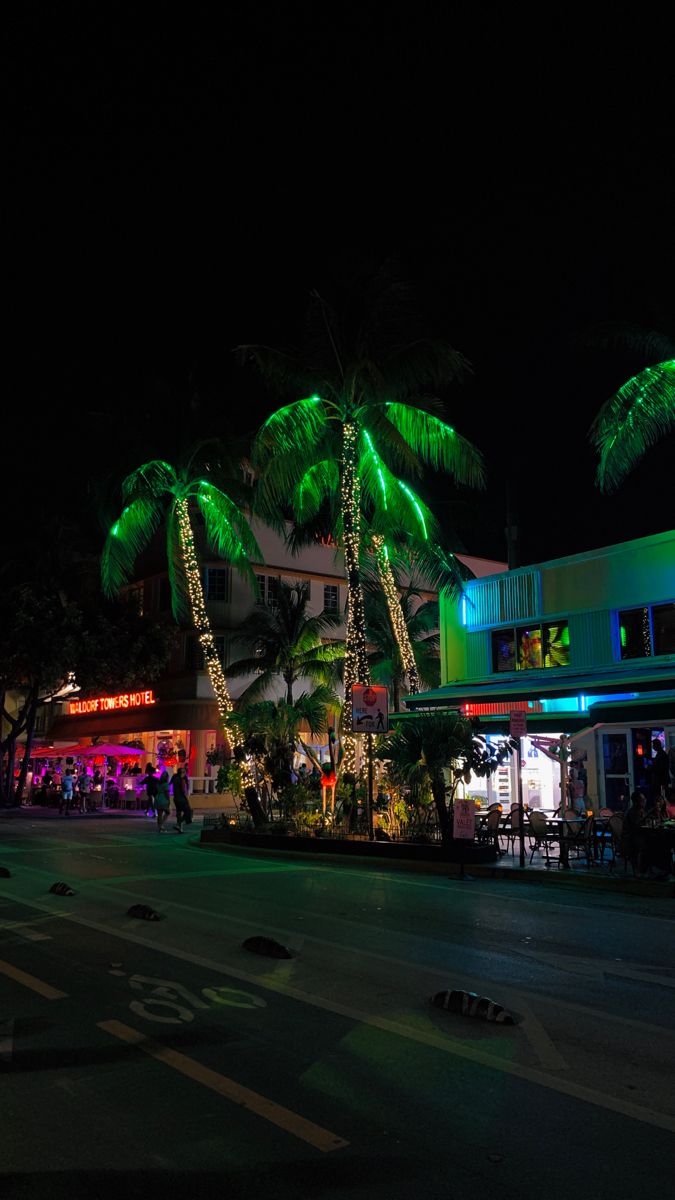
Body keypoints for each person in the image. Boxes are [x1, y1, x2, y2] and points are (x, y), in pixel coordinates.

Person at [170, 767, 192, 833]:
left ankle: (180, 828)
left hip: (176, 799)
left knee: (179, 813)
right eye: (185, 772)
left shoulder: (175, 779)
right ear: (182, 773)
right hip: (181, 799)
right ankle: (178, 824)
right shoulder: (182, 780)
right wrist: (187, 799)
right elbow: (183, 791)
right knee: (188, 811)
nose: (185, 774)